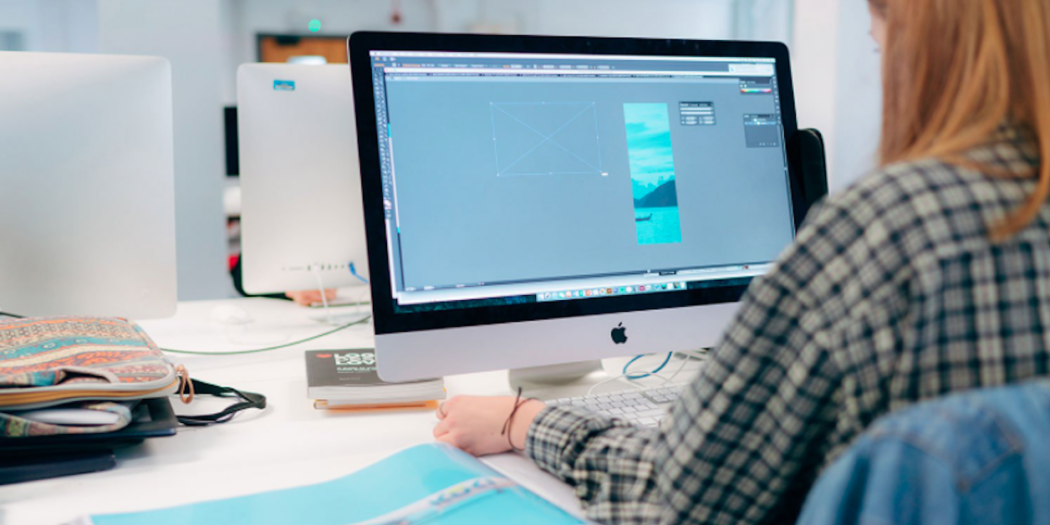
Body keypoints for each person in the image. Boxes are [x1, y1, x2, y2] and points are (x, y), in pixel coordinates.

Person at [433, 1, 1050, 524]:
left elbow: (684, 499)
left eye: (879, 48)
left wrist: (522, 421)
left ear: (925, 47)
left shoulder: (888, 229)